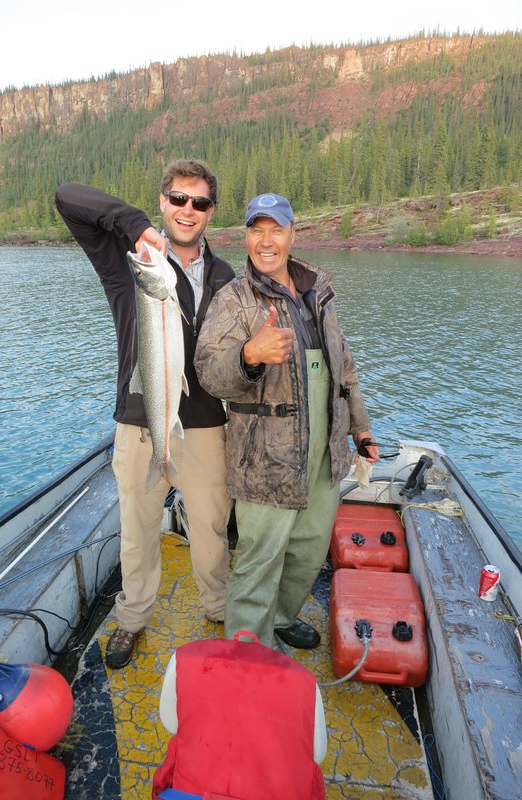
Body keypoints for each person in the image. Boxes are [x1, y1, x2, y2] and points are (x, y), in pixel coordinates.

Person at [55, 159, 235, 668]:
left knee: (211, 531)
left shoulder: (225, 277)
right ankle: (132, 619)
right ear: (163, 202)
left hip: (204, 426)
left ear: (210, 212)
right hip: (139, 423)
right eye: (178, 198)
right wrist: (135, 227)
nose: (187, 209)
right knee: (136, 532)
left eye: (199, 202)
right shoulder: (126, 263)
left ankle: (219, 610)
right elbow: (68, 194)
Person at [194, 193, 379, 649]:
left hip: (324, 452)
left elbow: (344, 366)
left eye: (276, 229)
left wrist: (361, 428)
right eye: (257, 230)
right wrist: (248, 356)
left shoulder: (319, 291)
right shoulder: (234, 299)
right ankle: (247, 648)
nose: (267, 241)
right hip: (265, 457)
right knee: (259, 559)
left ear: (294, 234)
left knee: (308, 550)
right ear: (246, 238)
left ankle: (278, 617)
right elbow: (207, 371)